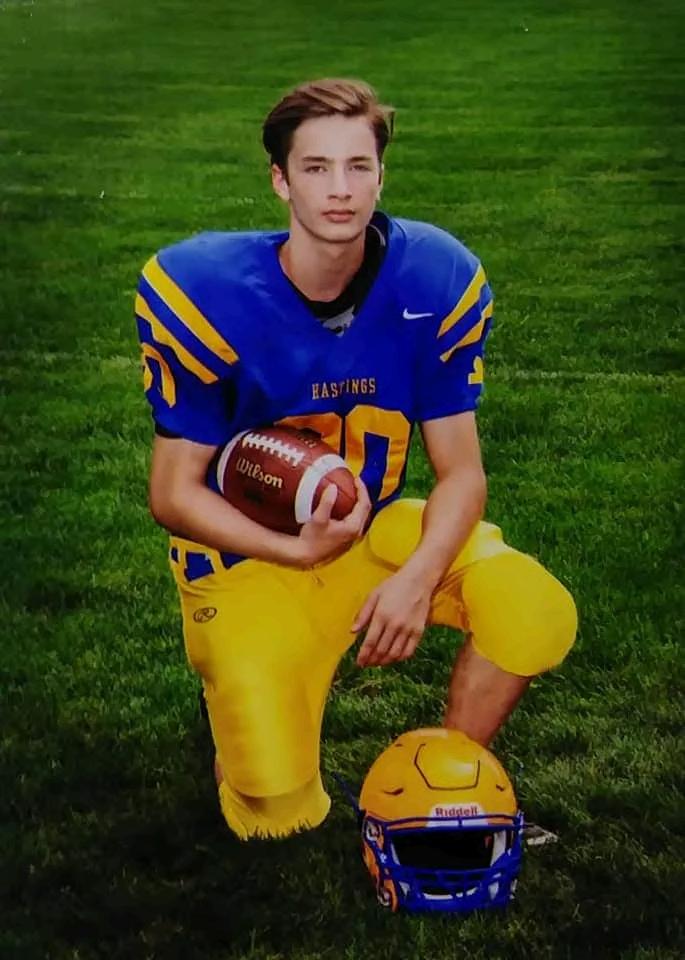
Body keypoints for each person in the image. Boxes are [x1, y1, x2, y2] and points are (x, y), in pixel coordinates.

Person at [135, 78, 577, 841]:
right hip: (246, 562)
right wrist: (292, 549)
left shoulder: (433, 278)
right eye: (315, 167)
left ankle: (446, 779)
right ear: (280, 181)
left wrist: (415, 579)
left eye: (357, 166)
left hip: (372, 537)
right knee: (275, 817)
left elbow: (461, 473)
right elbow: (172, 494)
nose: (339, 188)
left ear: (380, 176)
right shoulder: (206, 292)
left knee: (533, 608)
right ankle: (239, 705)